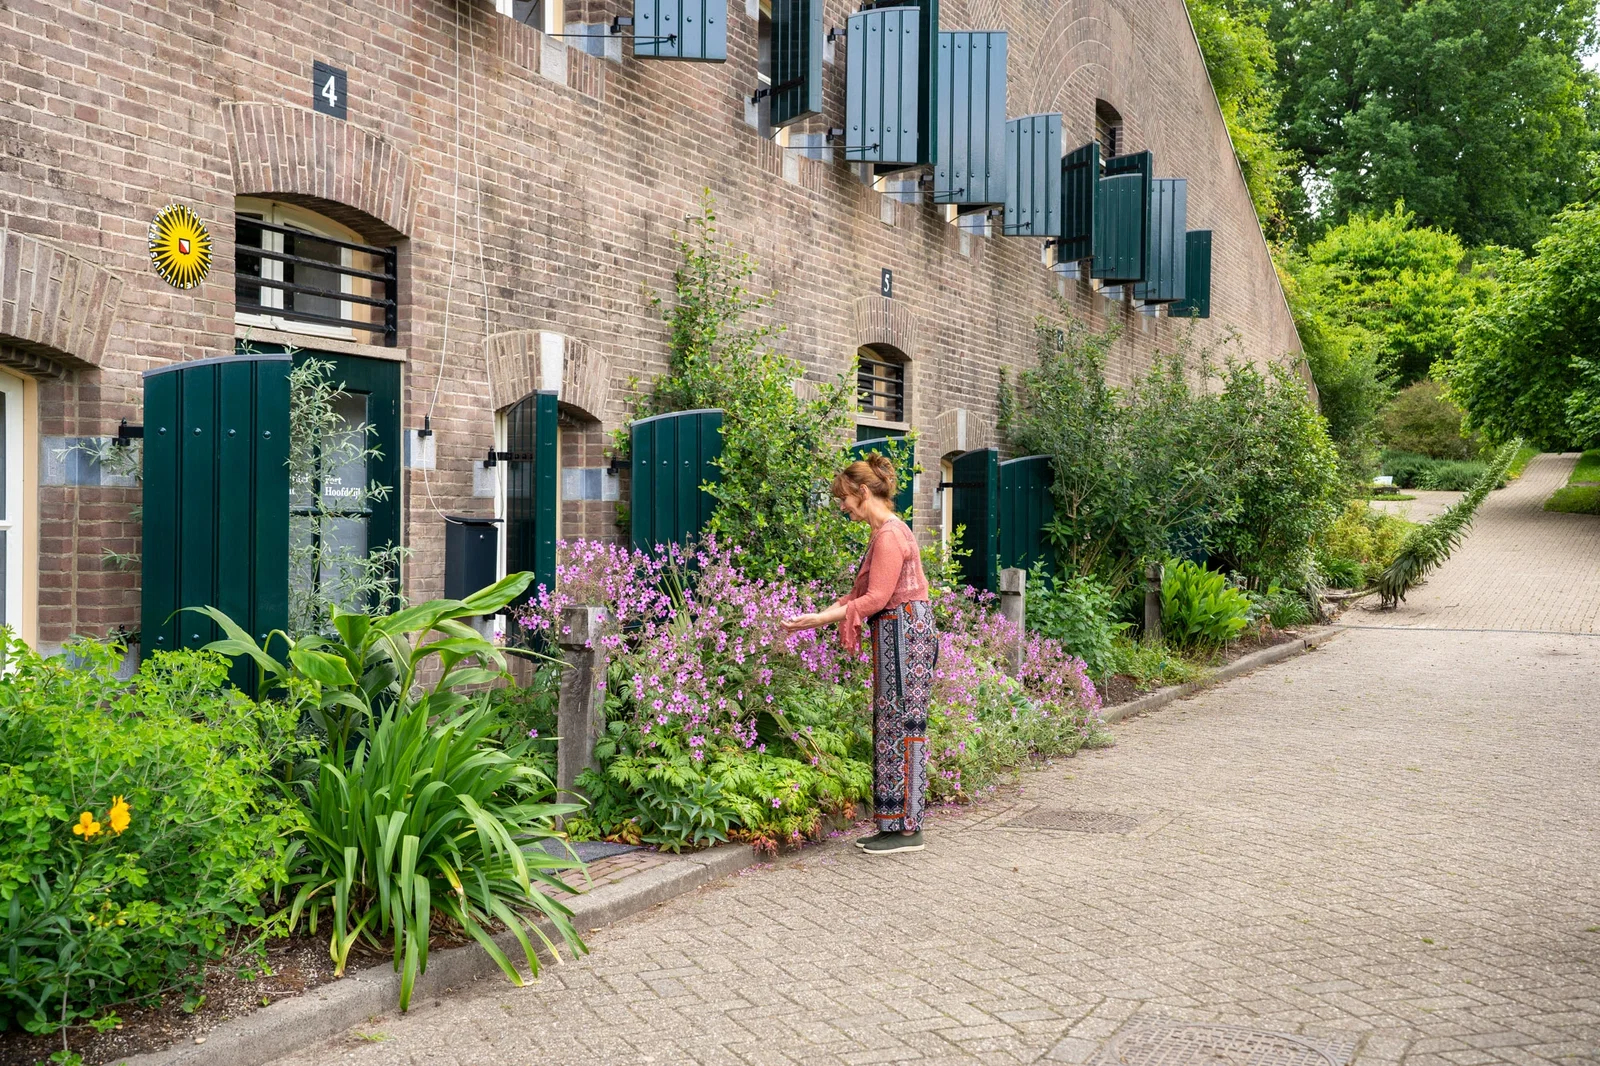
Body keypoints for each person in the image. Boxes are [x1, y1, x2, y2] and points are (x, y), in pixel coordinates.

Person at [781, 453, 936, 856]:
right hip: (898, 631)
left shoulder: (889, 534)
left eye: (845, 499)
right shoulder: (884, 532)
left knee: (903, 724)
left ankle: (907, 830)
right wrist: (819, 615)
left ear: (863, 492)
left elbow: (875, 598)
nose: (843, 507)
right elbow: (863, 596)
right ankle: (892, 825)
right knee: (891, 723)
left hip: (905, 633)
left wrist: (820, 619)